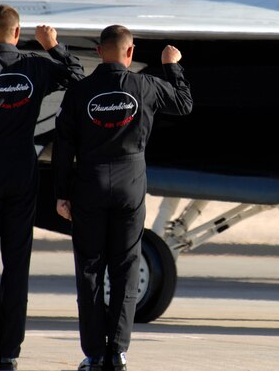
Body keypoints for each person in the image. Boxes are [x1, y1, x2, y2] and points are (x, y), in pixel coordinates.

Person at [0, 4, 85, 371]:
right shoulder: (36, 66)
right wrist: (52, 45)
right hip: (21, 178)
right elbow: (77, 75)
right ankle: (9, 351)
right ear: (17, 32)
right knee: (16, 264)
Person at [53, 25, 192, 371]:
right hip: (130, 186)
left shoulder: (80, 92)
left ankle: (93, 353)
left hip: (89, 184)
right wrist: (171, 65)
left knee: (89, 269)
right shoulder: (145, 86)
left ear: (100, 51)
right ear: (130, 53)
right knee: (125, 269)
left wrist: (61, 194)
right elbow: (184, 104)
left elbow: (63, 149)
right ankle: (118, 351)